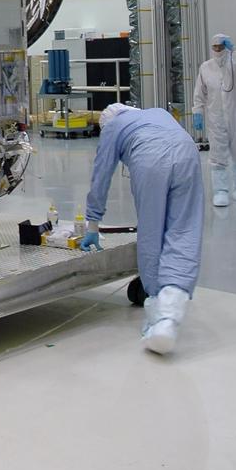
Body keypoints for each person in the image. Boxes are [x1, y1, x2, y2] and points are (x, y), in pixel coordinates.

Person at [81, 102, 203, 355]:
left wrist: (92, 222)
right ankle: (171, 313)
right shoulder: (159, 113)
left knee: (152, 233)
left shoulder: (113, 126)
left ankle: (159, 317)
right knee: (183, 230)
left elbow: (101, 174)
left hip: (150, 161)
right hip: (188, 153)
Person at [193, 33, 236, 207]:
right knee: (217, 153)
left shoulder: (235, 64)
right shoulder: (206, 67)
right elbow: (199, 93)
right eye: (215, 47)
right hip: (216, 118)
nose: (218, 50)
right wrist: (197, 112)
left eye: (221, 47)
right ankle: (220, 191)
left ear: (226, 47)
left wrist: (235, 50)